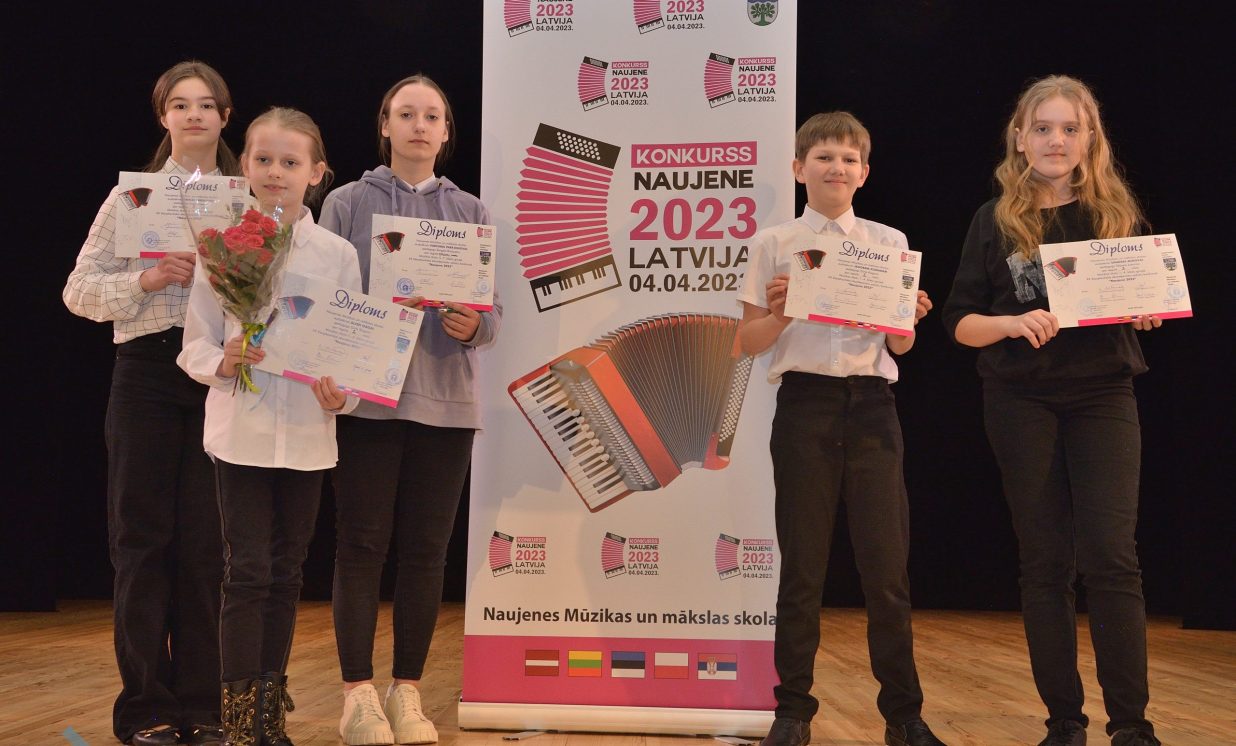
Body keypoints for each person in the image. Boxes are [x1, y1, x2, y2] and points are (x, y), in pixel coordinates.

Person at [942, 75, 1162, 746]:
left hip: (1103, 396)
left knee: (1112, 557)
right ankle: (1064, 722)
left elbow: (1141, 296)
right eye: (1042, 128)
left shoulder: (1114, 216)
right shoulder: (992, 220)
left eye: (1070, 128)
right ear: (1020, 138)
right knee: (1045, 561)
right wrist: (1011, 324)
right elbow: (959, 322)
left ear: (1090, 139)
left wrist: (1146, 308)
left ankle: (1131, 724)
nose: (1056, 140)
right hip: (1021, 401)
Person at [737, 112, 945, 746]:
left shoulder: (888, 242)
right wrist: (779, 313)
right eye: (824, 157)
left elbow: (901, 346)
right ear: (799, 168)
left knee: (886, 571)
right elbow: (746, 342)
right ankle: (792, 713)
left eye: (849, 159)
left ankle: (904, 717)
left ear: (865, 173)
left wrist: (907, 318)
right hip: (805, 405)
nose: (837, 168)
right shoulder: (773, 243)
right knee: (803, 567)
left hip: (874, 407)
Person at [319, 74, 501, 746]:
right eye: (406, 114)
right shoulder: (346, 202)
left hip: (447, 406)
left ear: (446, 132)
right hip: (368, 403)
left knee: (426, 554)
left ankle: (407, 691)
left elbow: (492, 316)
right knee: (361, 547)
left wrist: (473, 326)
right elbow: (325, 300)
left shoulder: (472, 212)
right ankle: (357, 695)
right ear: (385, 125)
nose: (419, 126)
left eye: (432, 116)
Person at [63, 60, 237, 746]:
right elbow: (78, 291)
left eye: (207, 104)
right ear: (163, 116)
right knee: (141, 543)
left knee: (207, 548)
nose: (194, 114)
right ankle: (145, 708)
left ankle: (204, 706)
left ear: (225, 116)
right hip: (144, 373)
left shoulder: (246, 197)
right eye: (180, 104)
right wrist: (148, 279)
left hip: (217, 375)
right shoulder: (130, 198)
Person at [178, 106, 362, 746]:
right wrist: (224, 360)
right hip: (243, 433)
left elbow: (350, 351)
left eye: (290, 161)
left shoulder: (338, 254)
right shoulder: (221, 245)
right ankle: (238, 722)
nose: (276, 172)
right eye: (263, 159)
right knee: (248, 571)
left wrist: (343, 394)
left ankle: (267, 716)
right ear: (245, 167)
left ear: (317, 172)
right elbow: (194, 343)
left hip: (308, 435)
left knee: (286, 574)